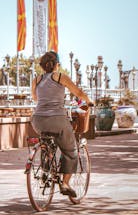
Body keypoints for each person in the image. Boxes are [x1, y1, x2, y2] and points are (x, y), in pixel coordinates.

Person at [31, 51, 92, 198]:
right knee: (70, 151)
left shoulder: (37, 80)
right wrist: (88, 101)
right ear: (57, 64)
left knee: (47, 143)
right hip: (57, 119)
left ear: (42, 67)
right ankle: (65, 184)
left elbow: (35, 98)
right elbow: (77, 92)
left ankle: (47, 170)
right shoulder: (60, 77)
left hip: (37, 120)